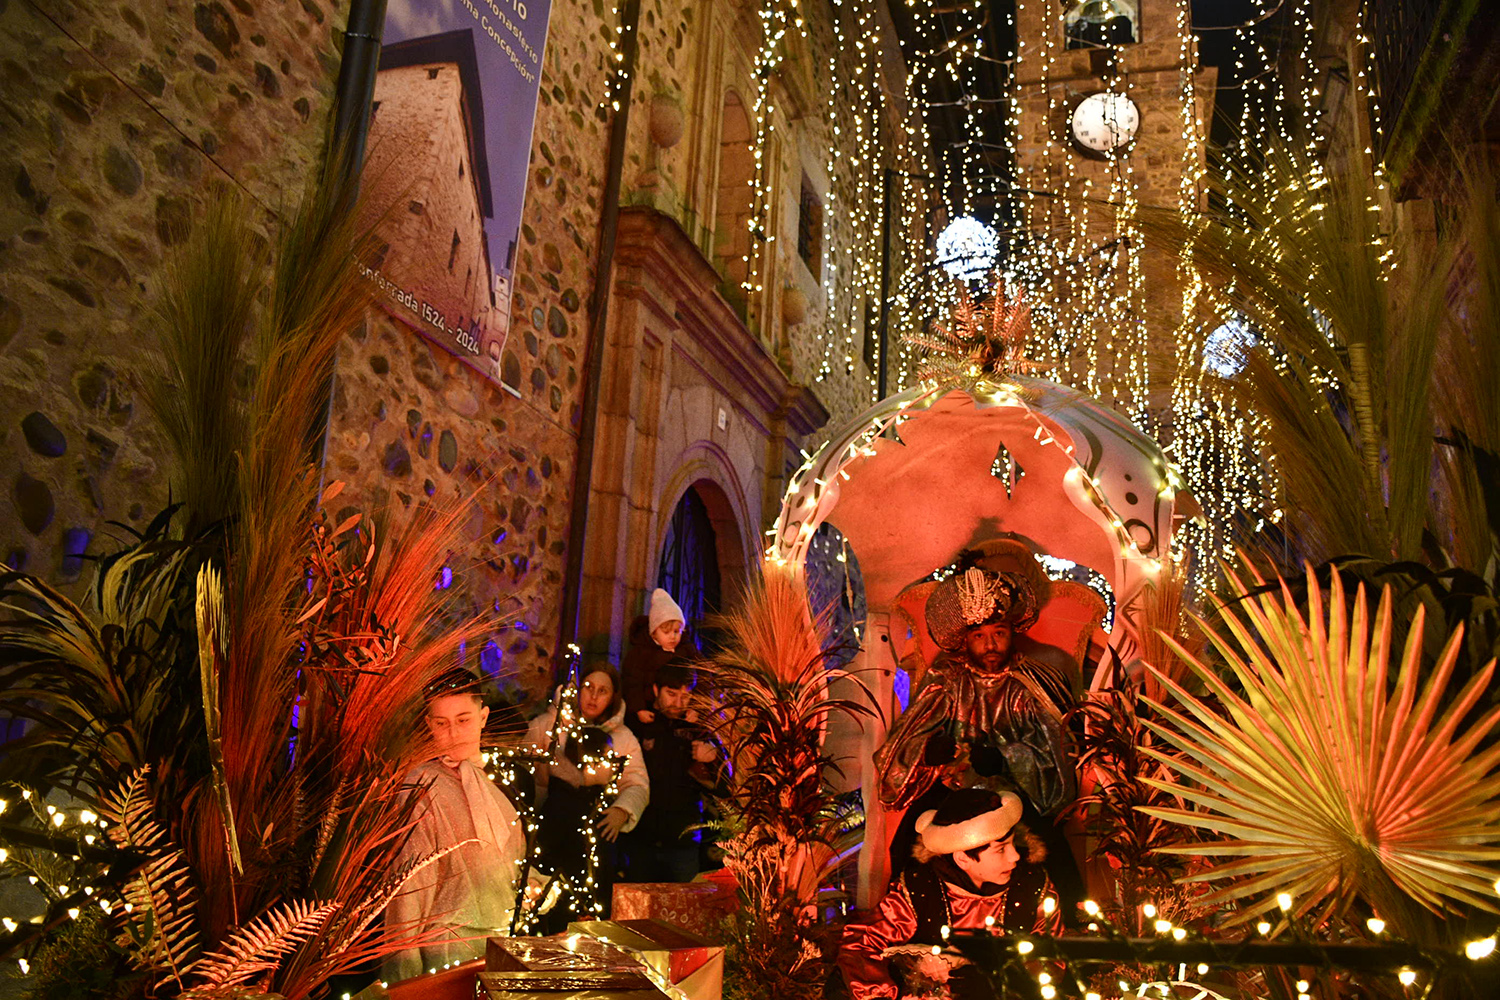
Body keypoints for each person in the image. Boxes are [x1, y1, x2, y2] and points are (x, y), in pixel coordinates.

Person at [875, 544, 1080, 905]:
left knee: (1052, 849)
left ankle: (1067, 923)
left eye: (998, 633)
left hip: (1018, 790)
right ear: (965, 640)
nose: (991, 645)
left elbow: (1058, 753)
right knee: (908, 844)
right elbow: (904, 745)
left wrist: (1006, 759)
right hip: (952, 790)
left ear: (1011, 631)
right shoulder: (947, 679)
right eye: (980, 636)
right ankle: (914, 926)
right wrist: (929, 751)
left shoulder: (1033, 681)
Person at [838, 789, 1061, 1000]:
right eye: (1001, 849)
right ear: (962, 858)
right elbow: (861, 944)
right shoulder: (921, 890)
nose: (1015, 857)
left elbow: (1054, 954)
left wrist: (1009, 981)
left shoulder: (1032, 887)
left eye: (1012, 844)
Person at [385, 669, 527, 982]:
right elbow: (407, 888)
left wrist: (535, 887)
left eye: (463, 720)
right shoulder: (420, 785)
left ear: (483, 716)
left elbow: (508, 860)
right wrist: (404, 977)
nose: (454, 733)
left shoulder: (501, 783)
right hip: (445, 953)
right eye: (442, 723)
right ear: (428, 725)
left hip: (502, 945)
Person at [526, 663, 648, 926]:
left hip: (595, 835)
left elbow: (637, 783)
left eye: (602, 691)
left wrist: (622, 810)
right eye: (588, 688)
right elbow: (526, 775)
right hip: (551, 830)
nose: (593, 696)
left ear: (612, 697)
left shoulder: (623, 737)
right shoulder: (548, 725)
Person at [623, 661, 725, 882]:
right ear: (655, 690)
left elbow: (726, 783)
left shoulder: (698, 728)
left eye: (685, 696)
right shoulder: (639, 723)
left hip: (683, 840)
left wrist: (714, 758)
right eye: (671, 694)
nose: (678, 703)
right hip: (641, 837)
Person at [621, 588, 686, 725]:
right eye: (666, 632)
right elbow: (633, 683)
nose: (673, 637)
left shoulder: (686, 650)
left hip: (679, 712)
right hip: (649, 709)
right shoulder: (640, 654)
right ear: (654, 633)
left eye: (677, 631)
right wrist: (638, 708)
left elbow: (702, 676)